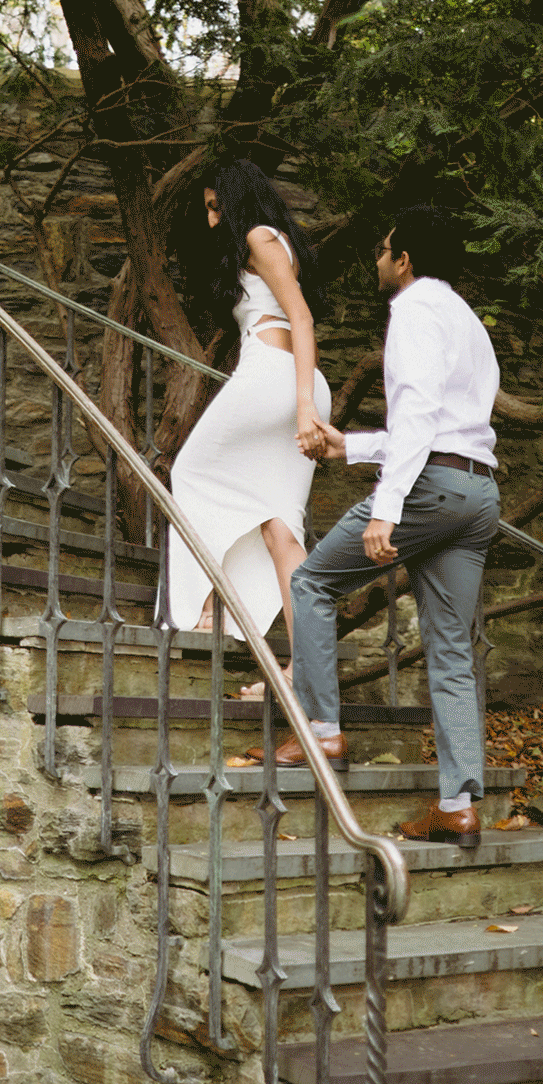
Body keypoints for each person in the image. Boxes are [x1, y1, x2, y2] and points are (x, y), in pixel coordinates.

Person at [273, 206, 501, 849]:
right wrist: (349, 448)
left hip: (431, 488)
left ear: (403, 261)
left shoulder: (413, 309)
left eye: (383, 248)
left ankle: (322, 730)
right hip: (479, 491)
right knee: (452, 651)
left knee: (312, 581)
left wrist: (386, 507)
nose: (377, 260)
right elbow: (442, 426)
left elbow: (422, 415)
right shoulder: (467, 322)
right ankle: (457, 805)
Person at [168, 161, 331, 697]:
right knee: (281, 528)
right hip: (289, 382)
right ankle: (304, 670)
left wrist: (304, 406)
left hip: (274, 379)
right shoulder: (274, 240)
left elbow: (301, 318)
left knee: (190, 472)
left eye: (218, 207)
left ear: (238, 200)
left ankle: (208, 606)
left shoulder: (260, 237)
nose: (213, 221)